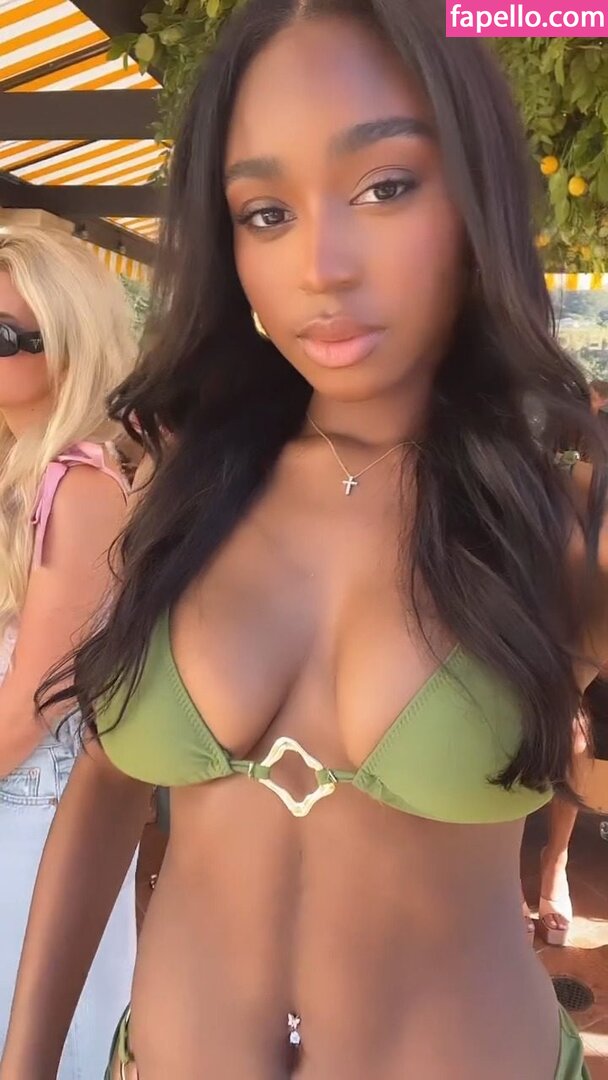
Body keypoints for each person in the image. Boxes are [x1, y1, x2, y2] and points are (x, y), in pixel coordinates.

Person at [2, 3, 606, 1077]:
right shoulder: (180, 488)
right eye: (267, 212)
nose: (321, 266)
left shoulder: (559, 516)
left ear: (477, 202)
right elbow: (105, 785)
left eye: (385, 187)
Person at [0, 227, 138, 1078]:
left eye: (2, 335)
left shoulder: (78, 484)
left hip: (34, 828)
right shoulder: (27, 471)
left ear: (68, 344)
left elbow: (36, 700)